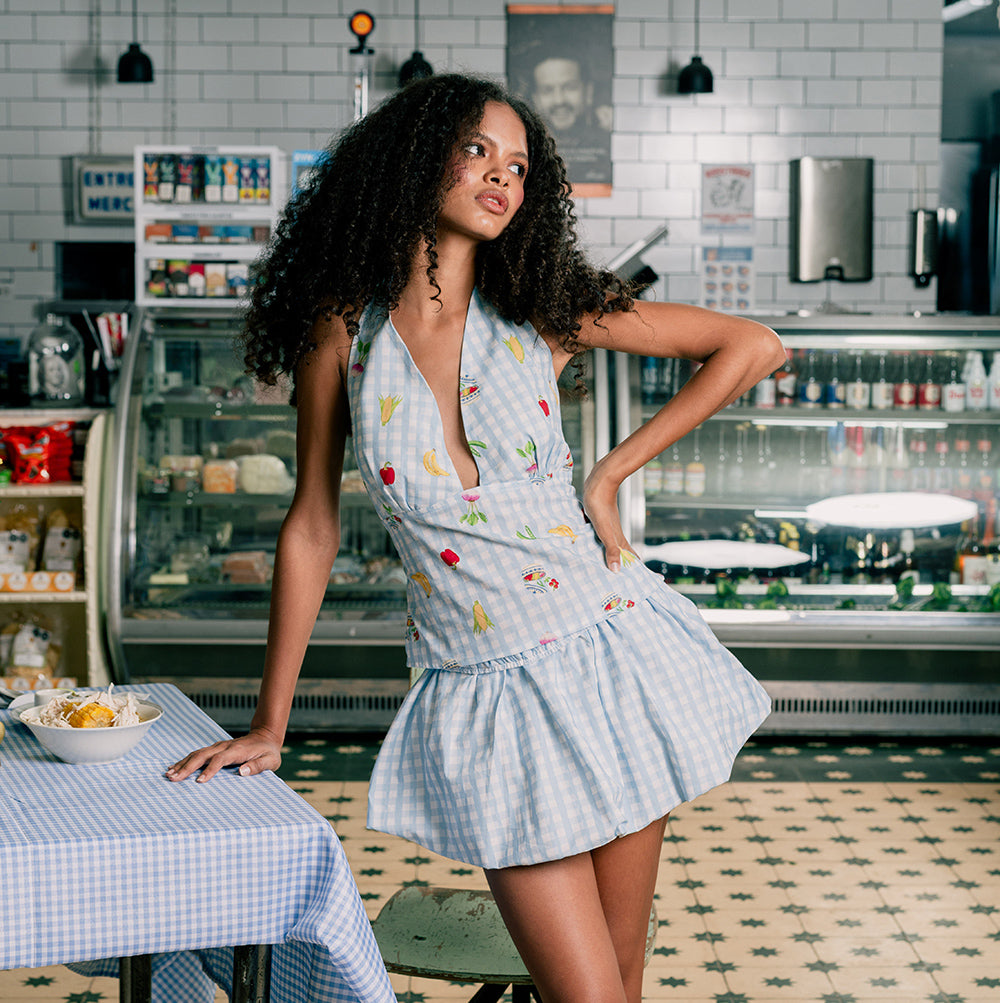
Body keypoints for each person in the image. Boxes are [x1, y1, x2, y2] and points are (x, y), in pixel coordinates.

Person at [167, 74, 784, 1003]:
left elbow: (752, 343)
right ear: (418, 163)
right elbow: (312, 525)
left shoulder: (541, 305)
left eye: (520, 166)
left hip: (610, 654)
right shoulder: (344, 332)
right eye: (478, 152)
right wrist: (271, 722)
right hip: (489, 695)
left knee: (620, 983)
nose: (503, 177)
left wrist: (610, 473)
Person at [529, 54, 611, 184]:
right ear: (536, 99)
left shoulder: (608, 138)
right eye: (547, 90)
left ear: (588, 92)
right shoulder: (524, 148)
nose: (559, 100)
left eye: (569, 87)